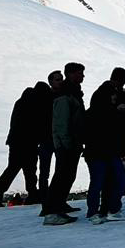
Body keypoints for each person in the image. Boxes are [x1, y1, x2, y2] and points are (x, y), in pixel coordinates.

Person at [83, 68, 125, 224]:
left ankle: (111, 209)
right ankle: (94, 212)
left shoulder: (113, 104)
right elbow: (97, 123)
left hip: (110, 150)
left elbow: (123, 127)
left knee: (117, 178)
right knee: (99, 181)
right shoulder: (100, 103)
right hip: (98, 150)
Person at [0, 80, 48, 206]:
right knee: (25, 170)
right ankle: (30, 195)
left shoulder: (23, 101)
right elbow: (35, 124)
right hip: (25, 142)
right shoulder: (33, 103)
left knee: (17, 169)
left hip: (18, 142)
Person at [41, 62, 86, 225]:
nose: (83, 76)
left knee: (67, 176)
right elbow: (61, 123)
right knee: (61, 176)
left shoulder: (72, 93)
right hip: (67, 145)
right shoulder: (65, 95)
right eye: (80, 73)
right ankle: (52, 212)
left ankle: (57, 208)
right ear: (72, 74)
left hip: (71, 143)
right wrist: (67, 144)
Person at [34, 69, 63, 198]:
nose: (60, 81)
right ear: (50, 82)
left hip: (57, 138)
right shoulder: (45, 98)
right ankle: (44, 197)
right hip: (46, 139)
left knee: (59, 170)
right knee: (44, 171)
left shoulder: (62, 96)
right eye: (57, 79)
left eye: (61, 79)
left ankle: (54, 197)